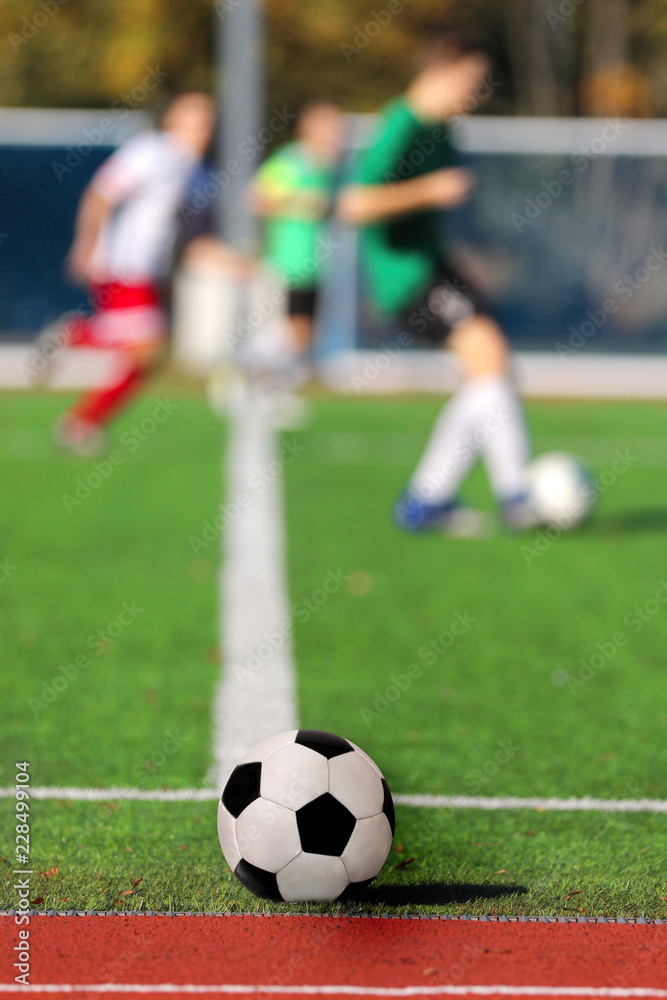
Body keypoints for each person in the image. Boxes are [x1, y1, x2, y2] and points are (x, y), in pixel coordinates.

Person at [338, 30, 535, 533]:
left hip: (435, 267)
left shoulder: (444, 132)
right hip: (404, 277)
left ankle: (427, 500)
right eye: (473, 82)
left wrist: (464, 263)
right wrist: (427, 190)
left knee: (489, 374)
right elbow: (355, 205)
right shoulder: (399, 126)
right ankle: (517, 495)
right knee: (486, 353)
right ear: (441, 71)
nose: (478, 94)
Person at [48, 91, 216, 455]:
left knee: (144, 358)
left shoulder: (190, 167)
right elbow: (101, 192)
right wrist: (87, 244)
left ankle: (81, 420)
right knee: (147, 348)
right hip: (123, 266)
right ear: (173, 120)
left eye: (207, 122)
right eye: (195, 120)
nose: (204, 129)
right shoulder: (154, 151)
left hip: (144, 272)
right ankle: (73, 341)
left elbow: (185, 233)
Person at [252, 102, 344, 375]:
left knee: (305, 336)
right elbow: (259, 198)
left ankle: (272, 389)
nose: (336, 134)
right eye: (330, 127)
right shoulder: (294, 160)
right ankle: (245, 364)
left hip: (314, 264)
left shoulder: (327, 167)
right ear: (308, 128)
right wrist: (304, 202)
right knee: (294, 330)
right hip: (289, 261)